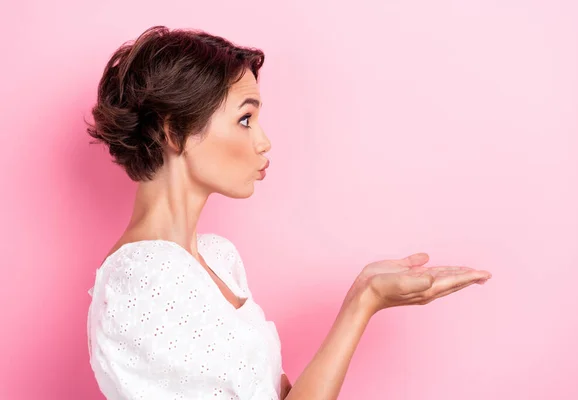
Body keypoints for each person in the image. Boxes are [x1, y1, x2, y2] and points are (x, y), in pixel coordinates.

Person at [86, 25, 492, 400]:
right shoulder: (142, 278)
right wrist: (364, 301)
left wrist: (365, 290)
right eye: (245, 119)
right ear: (174, 131)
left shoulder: (216, 258)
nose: (264, 142)